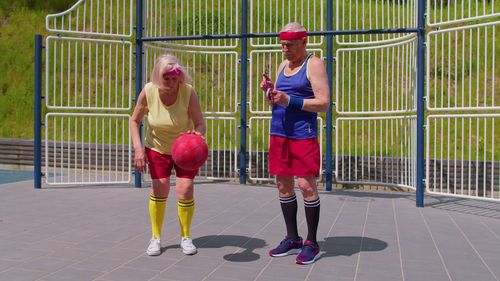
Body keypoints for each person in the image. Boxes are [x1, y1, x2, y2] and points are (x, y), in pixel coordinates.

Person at [260, 22, 330, 265]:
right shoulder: (283, 65)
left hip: (303, 134)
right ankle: (292, 237)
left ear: (304, 42)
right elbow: (278, 101)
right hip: (279, 133)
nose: (285, 49)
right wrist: (270, 93)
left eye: (289, 45)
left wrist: (290, 100)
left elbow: (323, 103)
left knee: (306, 185)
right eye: (282, 44)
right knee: (282, 184)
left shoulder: (314, 64)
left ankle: (312, 242)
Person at [130, 54, 206, 256]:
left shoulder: (188, 92)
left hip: (184, 149)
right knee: (160, 189)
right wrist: (138, 149)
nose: (172, 83)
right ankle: (155, 237)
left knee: (186, 188)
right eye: (167, 79)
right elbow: (134, 121)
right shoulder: (148, 91)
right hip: (157, 147)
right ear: (157, 76)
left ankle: (186, 237)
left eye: (175, 78)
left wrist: (196, 135)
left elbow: (200, 123)